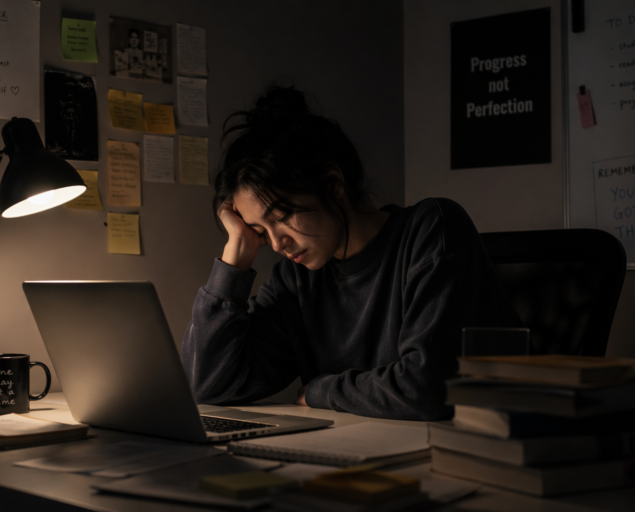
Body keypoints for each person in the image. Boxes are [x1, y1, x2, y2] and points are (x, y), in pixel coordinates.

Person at [182, 85, 519, 421]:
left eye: (281, 217)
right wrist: (235, 258)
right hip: (363, 448)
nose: (276, 244)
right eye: (259, 231)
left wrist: (321, 390)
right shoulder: (297, 279)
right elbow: (206, 386)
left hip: (467, 446)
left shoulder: (431, 230)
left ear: (332, 184)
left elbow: (427, 388)